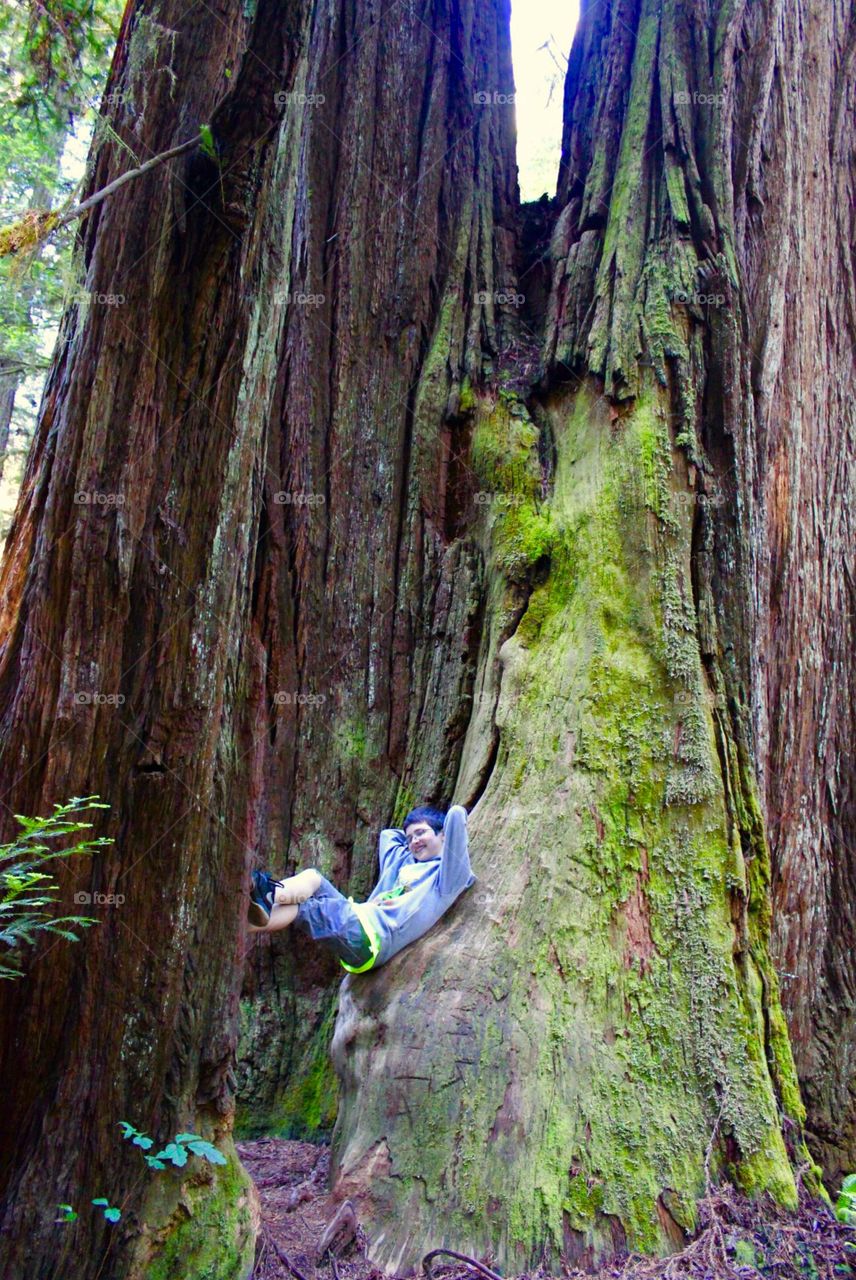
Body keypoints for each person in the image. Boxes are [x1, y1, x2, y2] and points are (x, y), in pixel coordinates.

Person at [247, 805, 475, 973]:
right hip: (358, 916)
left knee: (306, 909)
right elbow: (389, 835)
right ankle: (267, 897)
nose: (414, 841)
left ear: (443, 834)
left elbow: (456, 814)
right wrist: (417, 841)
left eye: (421, 833)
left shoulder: (448, 878)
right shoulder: (403, 863)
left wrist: (441, 834)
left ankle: (248, 914)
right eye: (410, 838)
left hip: (373, 937)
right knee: (313, 878)